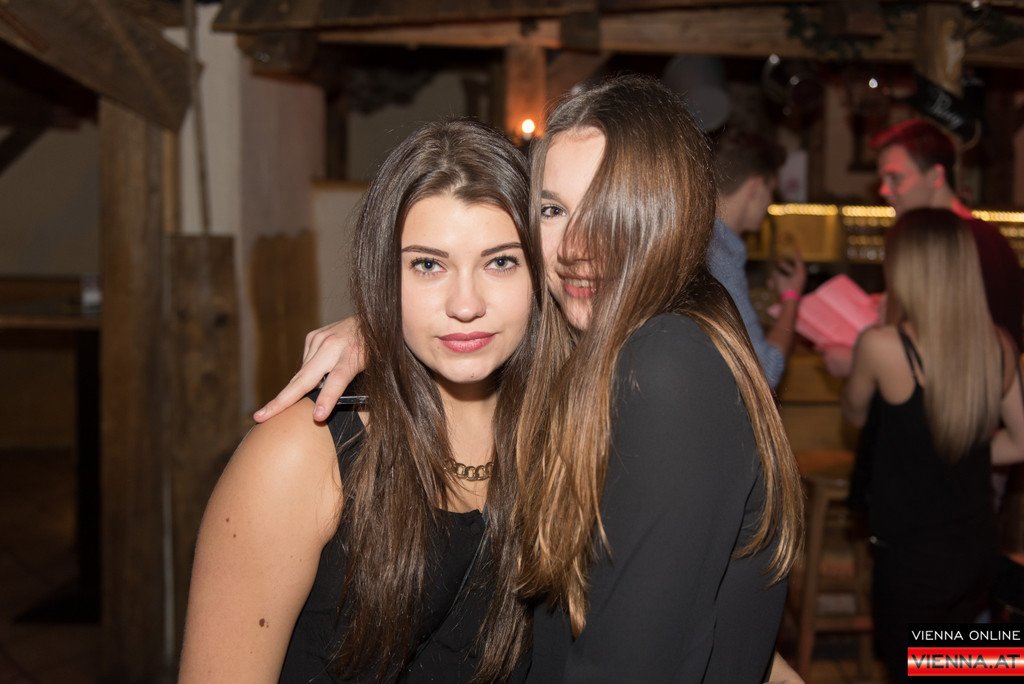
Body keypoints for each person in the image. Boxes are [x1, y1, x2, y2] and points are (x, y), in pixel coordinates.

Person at [256, 76, 804, 682]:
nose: (575, 246)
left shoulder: (665, 363)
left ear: (667, 213)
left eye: (609, 208)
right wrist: (384, 324)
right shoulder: (585, 380)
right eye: (553, 210)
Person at [178, 118, 540, 683]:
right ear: (384, 276)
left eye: (500, 262)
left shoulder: (566, 438)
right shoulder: (300, 455)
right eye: (428, 265)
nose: (465, 304)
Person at [841, 208, 1024, 681]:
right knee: (961, 667)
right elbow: (1020, 442)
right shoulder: (999, 345)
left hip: (912, 559)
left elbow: (855, 416)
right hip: (976, 552)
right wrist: (962, 449)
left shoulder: (881, 345)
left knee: (909, 669)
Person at [822, 118, 1022, 377]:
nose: (884, 190)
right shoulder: (980, 234)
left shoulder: (957, 244)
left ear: (936, 176)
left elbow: (954, 353)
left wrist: (861, 363)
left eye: (895, 178)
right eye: (882, 179)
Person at [708, 129, 807, 389]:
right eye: (771, 190)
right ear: (754, 187)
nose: (769, 204)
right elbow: (764, 373)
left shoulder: (697, 241)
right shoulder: (720, 257)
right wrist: (791, 299)